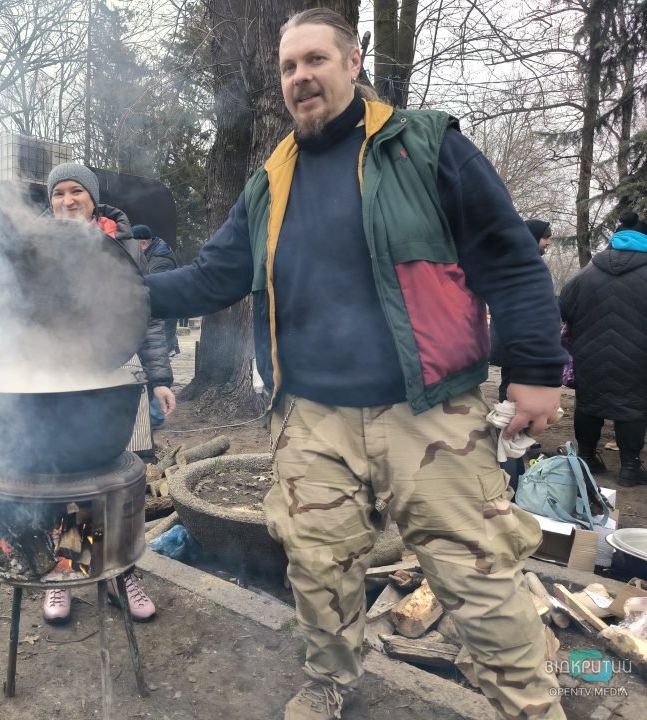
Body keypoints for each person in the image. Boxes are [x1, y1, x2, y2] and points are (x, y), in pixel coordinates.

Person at [145, 9, 567, 720]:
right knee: (317, 565)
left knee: (480, 575)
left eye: (315, 60)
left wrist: (536, 369)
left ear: (352, 61)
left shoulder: (425, 144)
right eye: (288, 67)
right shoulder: (270, 181)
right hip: (311, 416)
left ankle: (529, 706)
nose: (301, 77)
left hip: (429, 412)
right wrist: (121, 292)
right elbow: (211, 278)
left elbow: (508, 255)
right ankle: (329, 678)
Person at [41, 162, 175, 625]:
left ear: (93, 198)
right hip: (55, 378)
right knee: (71, 475)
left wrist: (160, 378)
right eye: (58, 194)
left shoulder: (124, 246)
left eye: (76, 191)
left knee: (121, 476)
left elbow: (147, 315)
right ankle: (68, 566)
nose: (67, 201)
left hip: (115, 376)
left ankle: (120, 573)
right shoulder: (35, 244)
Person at [560, 211, 647, 487]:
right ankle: (630, 469)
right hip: (637, 357)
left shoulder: (587, 273)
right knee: (631, 407)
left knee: (589, 404)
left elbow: (564, 308)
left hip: (590, 354)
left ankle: (586, 459)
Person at [489, 218, 554, 489]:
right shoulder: (522, 267)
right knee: (513, 412)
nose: (549, 242)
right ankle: (511, 476)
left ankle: (514, 466)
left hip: (515, 350)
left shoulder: (514, 262)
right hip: (520, 352)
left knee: (513, 407)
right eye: (546, 237)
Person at [132, 223, 180, 429]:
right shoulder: (154, 253)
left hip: (162, 321)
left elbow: (151, 293)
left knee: (153, 366)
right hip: (158, 320)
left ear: (142, 244)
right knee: (150, 366)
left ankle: (156, 417)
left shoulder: (159, 262)